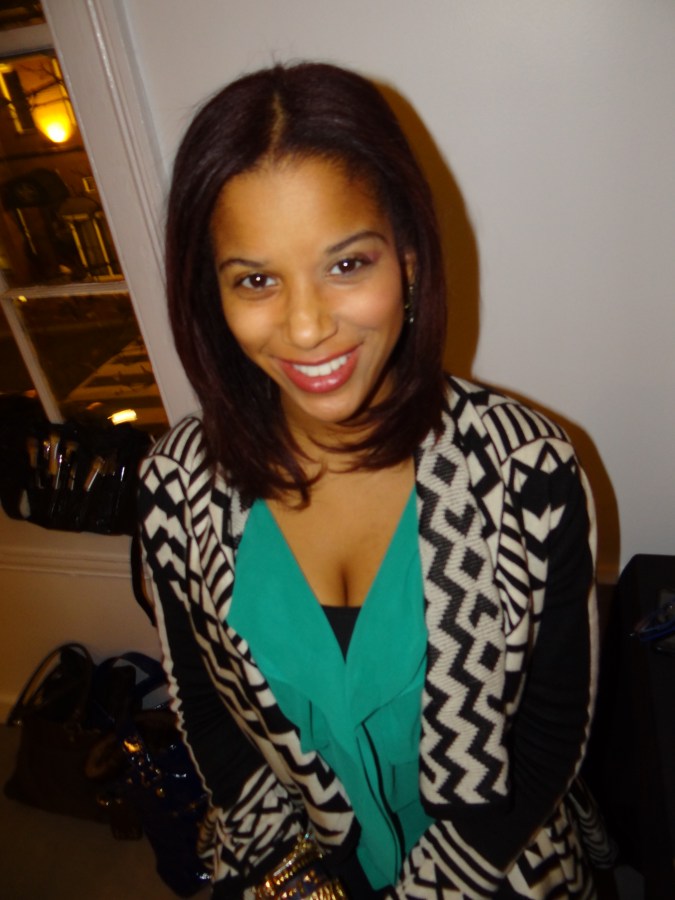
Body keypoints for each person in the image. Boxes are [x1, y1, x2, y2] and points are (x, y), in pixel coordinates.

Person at [138, 62, 606, 898]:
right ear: (211, 294)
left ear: (410, 261)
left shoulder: (526, 473)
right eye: (256, 280)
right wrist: (290, 874)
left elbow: (548, 730)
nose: (306, 327)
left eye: (347, 264)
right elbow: (205, 709)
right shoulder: (177, 487)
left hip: (496, 870)